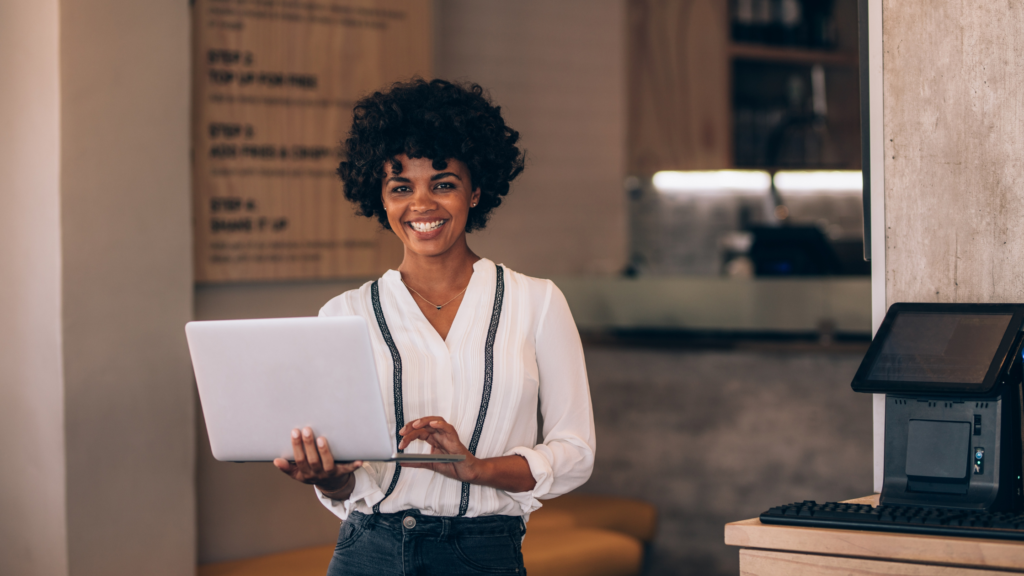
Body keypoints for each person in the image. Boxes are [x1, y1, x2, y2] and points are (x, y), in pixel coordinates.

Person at [272, 78, 596, 575]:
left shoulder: (538, 302)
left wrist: (478, 469)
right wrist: (327, 477)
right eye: (401, 187)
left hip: (484, 554)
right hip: (367, 553)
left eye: (443, 183)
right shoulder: (344, 315)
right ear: (381, 200)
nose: (421, 205)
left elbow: (575, 452)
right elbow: (348, 486)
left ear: (476, 191)